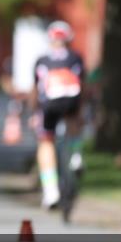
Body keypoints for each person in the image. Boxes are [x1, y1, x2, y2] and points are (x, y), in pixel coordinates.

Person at [29, 20, 85, 209]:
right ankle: (76, 156)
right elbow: (81, 87)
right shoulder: (76, 58)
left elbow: (36, 91)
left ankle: (51, 190)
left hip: (49, 105)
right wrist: (81, 111)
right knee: (74, 120)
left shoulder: (42, 60)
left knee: (45, 142)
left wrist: (33, 113)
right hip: (71, 102)